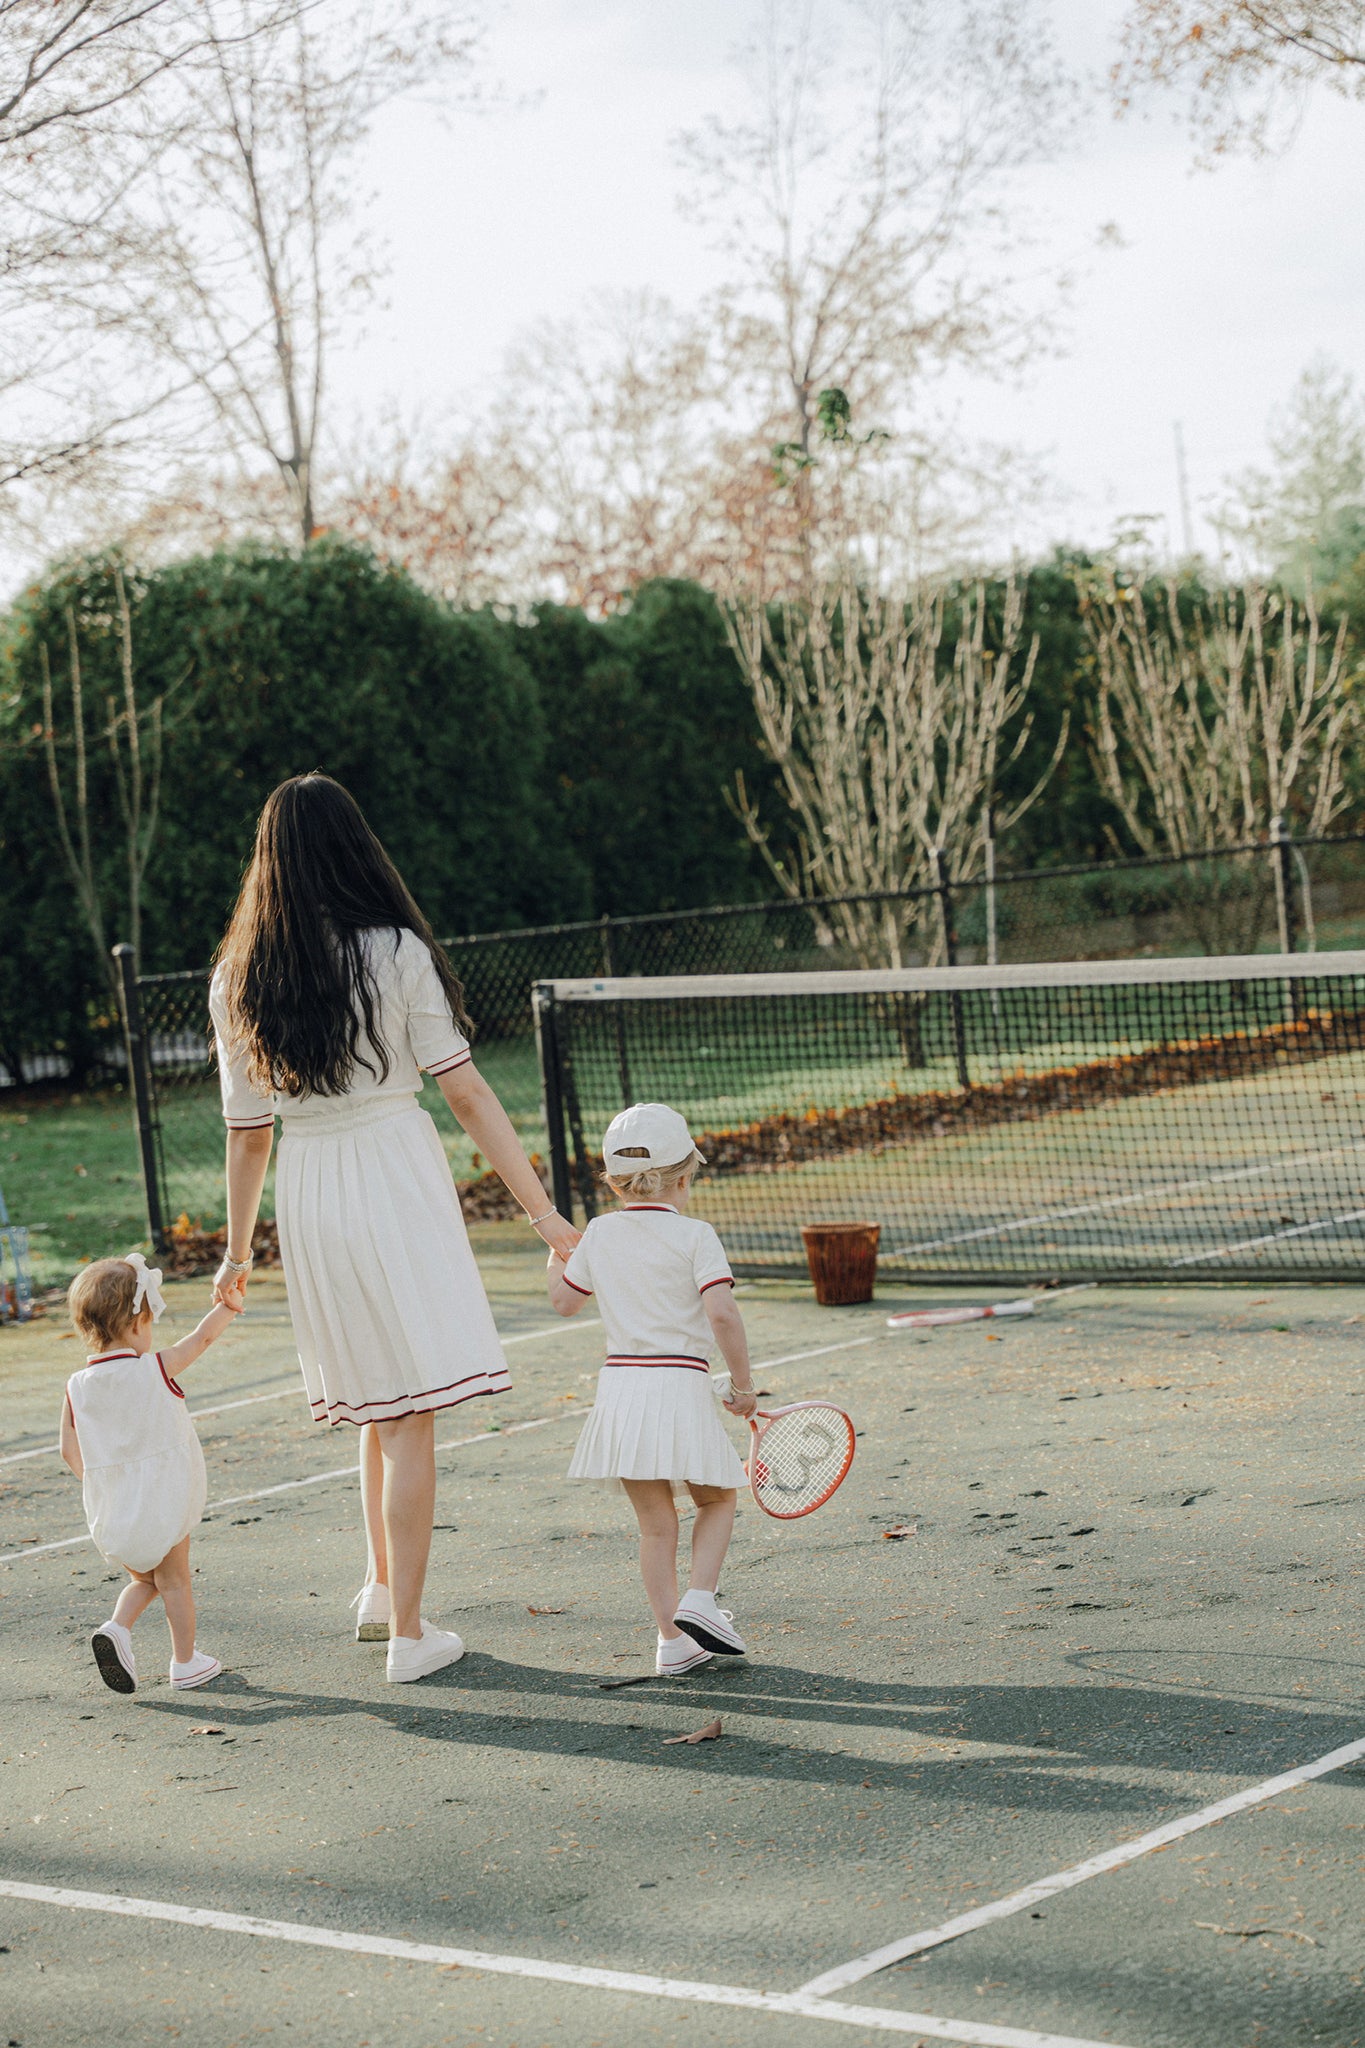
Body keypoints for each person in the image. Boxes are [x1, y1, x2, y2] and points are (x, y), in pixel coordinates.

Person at [209, 772, 579, 1684]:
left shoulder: (235, 977)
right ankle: (410, 1637)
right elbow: (465, 1090)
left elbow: (248, 1139)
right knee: (410, 1414)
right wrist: (545, 1217)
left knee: (381, 1405)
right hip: (391, 1172)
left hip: (311, 1186)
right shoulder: (396, 950)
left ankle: (380, 1590)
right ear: (354, 848)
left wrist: (234, 1252)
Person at [546, 1103, 757, 1677]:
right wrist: (744, 1386)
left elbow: (563, 1302)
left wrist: (558, 1249)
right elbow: (723, 1316)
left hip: (622, 1393)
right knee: (717, 1499)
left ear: (613, 1181)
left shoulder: (599, 1233)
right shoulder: (697, 1235)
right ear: (685, 1176)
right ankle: (701, 1600)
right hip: (678, 1386)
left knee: (656, 1526)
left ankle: (672, 1641)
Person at [60, 1252, 243, 1693]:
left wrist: (110, 1486)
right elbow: (200, 1340)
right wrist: (228, 1306)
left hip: (113, 1510)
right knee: (176, 1581)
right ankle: (185, 1661)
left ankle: (118, 1628)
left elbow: (69, 1450)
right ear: (138, 1322)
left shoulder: (76, 1386)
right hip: (162, 1499)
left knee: (144, 1578)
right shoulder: (154, 1369)